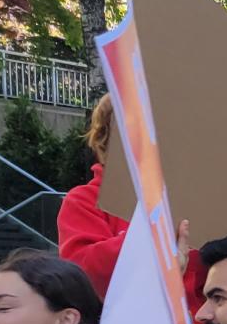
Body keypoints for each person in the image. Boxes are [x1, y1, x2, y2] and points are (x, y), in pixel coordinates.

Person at [55, 95, 204, 309]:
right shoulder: (84, 200)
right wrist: (153, 233)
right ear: (109, 140)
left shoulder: (191, 199)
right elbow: (83, 273)